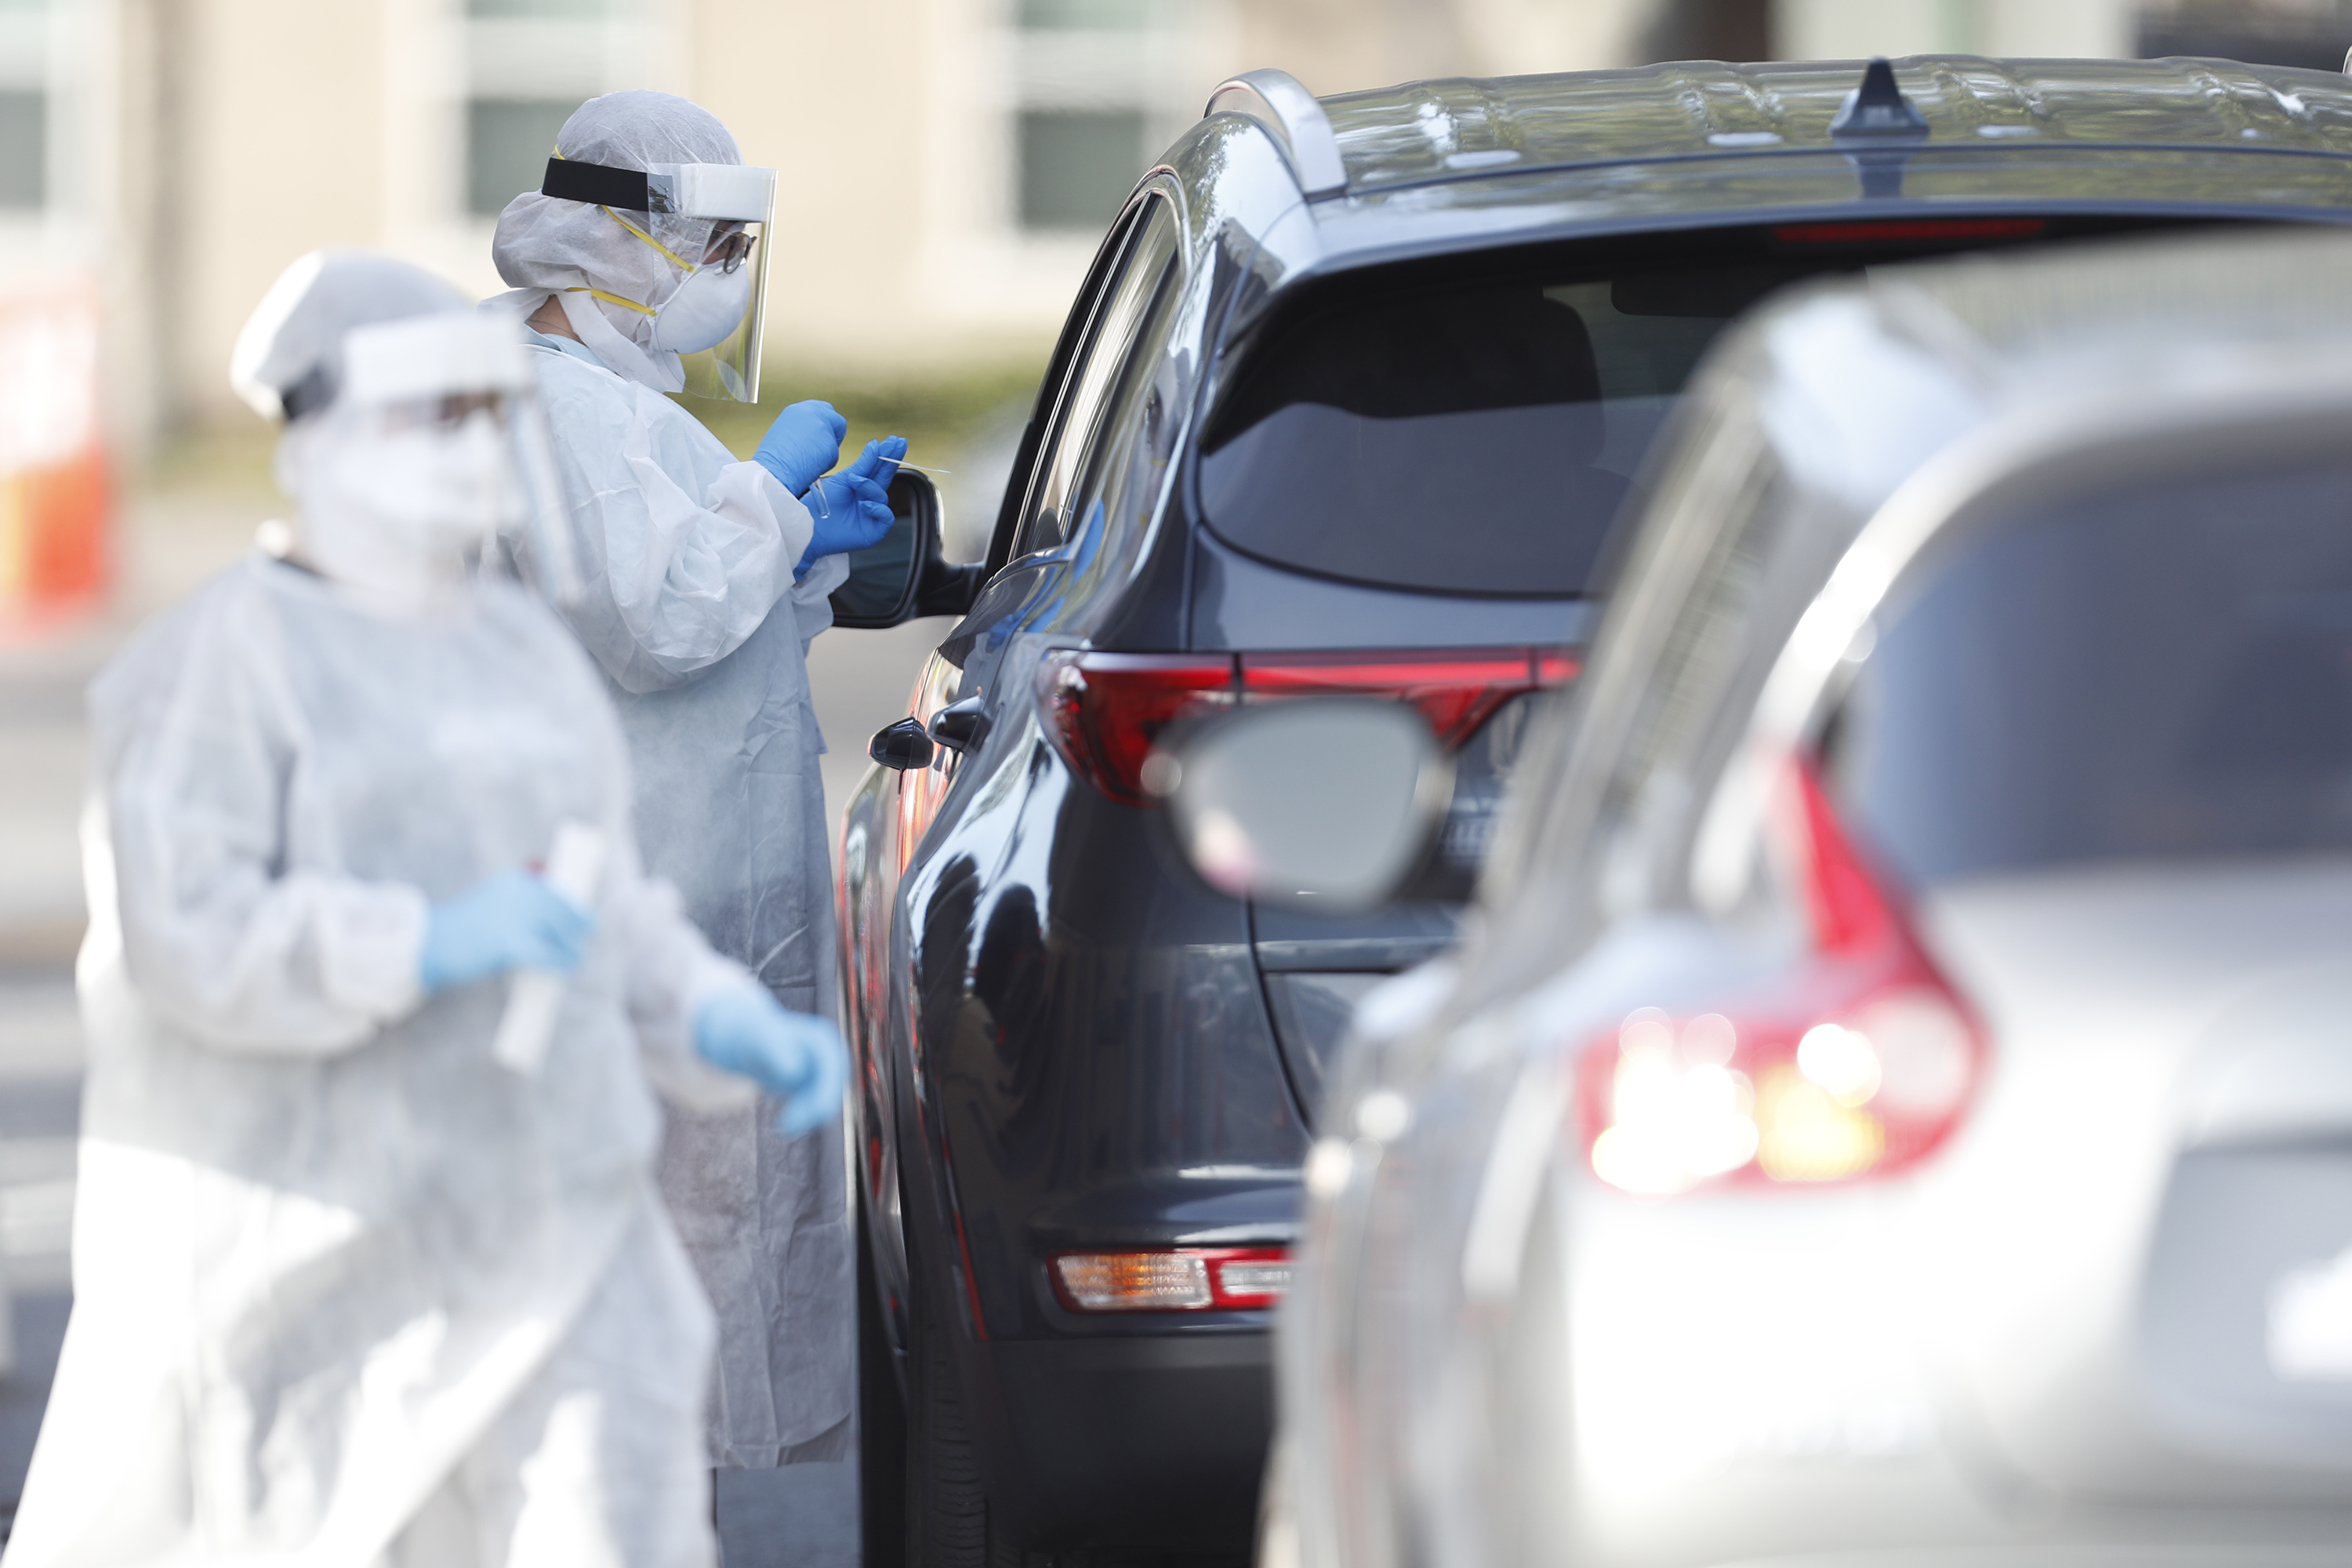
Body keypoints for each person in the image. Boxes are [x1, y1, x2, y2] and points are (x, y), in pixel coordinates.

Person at [3, 250, 848, 1568]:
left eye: (475, 419)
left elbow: (593, 881)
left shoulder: (502, 650)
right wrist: (414, 946)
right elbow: (187, 946)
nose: (470, 457)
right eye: (431, 421)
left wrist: (707, 1010)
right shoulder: (208, 678)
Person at [485, 89, 898, 1475]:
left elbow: (684, 625)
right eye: (715, 248)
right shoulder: (549, 410)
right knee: (646, 1313)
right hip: (637, 917)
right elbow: (658, 625)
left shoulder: (594, 402)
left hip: (679, 901)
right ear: (619, 241)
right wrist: (767, 497)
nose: (727, 281)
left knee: (687, 1301)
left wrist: (801, 561)